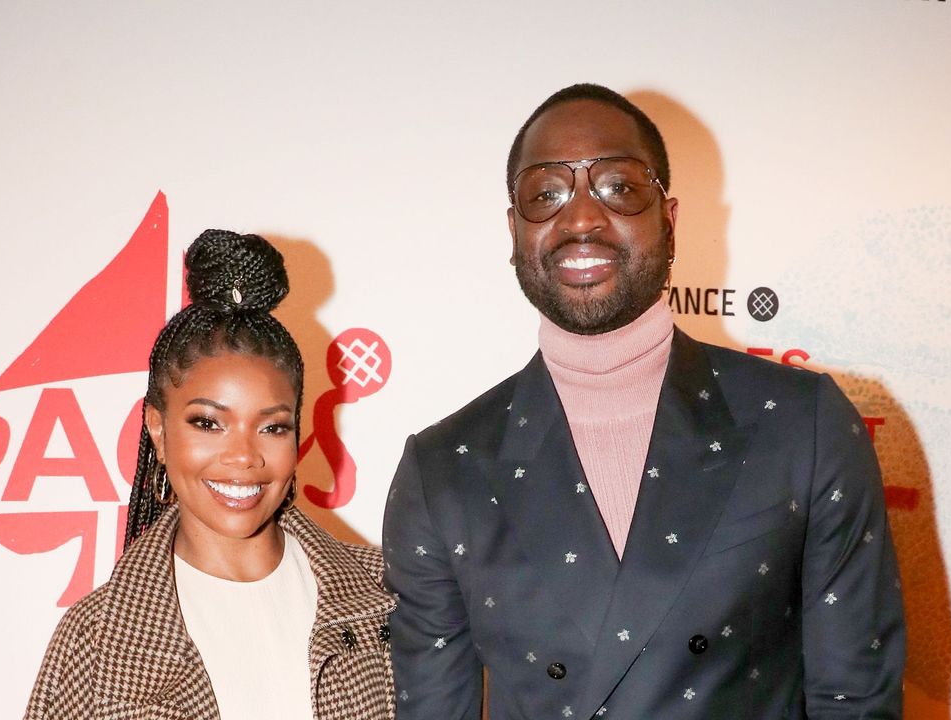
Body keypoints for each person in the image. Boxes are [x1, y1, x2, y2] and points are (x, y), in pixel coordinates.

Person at [383, 83, 905, 719]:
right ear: (515, 231)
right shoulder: (443, 471)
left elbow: (856, 702)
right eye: (545, 194)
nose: (580, 219)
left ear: (670, 220)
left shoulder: (803, 425)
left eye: (619, 187)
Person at [25, 230, 396, 719]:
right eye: (208, 423)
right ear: (157, 429)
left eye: (272, 426)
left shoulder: (392, 597)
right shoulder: (94, 643)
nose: (243, 456)